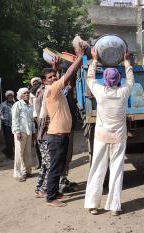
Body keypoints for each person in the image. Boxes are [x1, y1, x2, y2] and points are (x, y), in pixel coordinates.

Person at [84, 48, 134, 215]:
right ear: (118, 79)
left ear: (105, 80)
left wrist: (95, 60)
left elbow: (90, 78)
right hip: (118, 138)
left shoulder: (100, 93)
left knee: (97, 168)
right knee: (117, 170)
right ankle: (114, 207)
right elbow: (131, 80)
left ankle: (93, 205)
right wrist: (126, 62)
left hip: (101, 137)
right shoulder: (123, 93)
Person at [43, 44, 86, 207]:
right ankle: (50, 197)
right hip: (57, 136)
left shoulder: (57, 91)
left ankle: (55, 192)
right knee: (55, 167)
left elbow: (64, 78)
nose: (54, 78)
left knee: (59, 166)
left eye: (55, 76)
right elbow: (67, 74)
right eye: (51, 77)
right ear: (45, 81)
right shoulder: (52, 89)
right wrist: (80, 57)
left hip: (61, 135)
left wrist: (55, 67)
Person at [12, 88, 35, 182]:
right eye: (25, 93)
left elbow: (32, 120)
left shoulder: (30, 105)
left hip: (28, 132)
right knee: (19, 153)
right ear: (20, 95)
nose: (27, 94)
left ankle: (27, 171)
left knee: (28, 152)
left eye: (28, 93)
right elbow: (15, 119)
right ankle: (18, 173)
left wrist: (33, 132)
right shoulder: (17, 105)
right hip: (20, 132)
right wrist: (17, 131)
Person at [30, 77, 43, 168]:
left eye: (37, 82)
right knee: (36, 142)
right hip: (34, 120)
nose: (35, 83)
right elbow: (30, 106)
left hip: (43, 117)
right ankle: (39, 162)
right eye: (33, 83)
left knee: (45, 140)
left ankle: (46, 161)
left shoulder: (43, 90)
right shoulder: (30, 94)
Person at [0, 90, 15, 159]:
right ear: (6, 97)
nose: (10, 97)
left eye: (11, 95)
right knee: (8, 140)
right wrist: (3, 119)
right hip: (6, 125)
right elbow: (0, 114)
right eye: (9, 95)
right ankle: (10, 155)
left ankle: (6, 151)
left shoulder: (15, 104)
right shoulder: (3, 104)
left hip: (14, 124)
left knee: (13, 140)